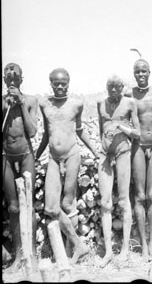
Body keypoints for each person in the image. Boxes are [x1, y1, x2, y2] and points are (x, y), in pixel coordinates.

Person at [36, 68, 98, 264]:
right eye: (56, 83)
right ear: (51, 83)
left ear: (68, 84)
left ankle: (70, 253)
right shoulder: (44, 104)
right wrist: (36, 156)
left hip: (72, 155)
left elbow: (80, 130)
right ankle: (79, 244)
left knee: (67, 204)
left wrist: (96, 153)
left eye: (63, 83)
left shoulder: (76, 104)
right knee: (51, 207)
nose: (60, 87)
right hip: (53, 158)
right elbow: (47, 134)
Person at [96, 75, 140, 267]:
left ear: (122, 88)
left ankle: (125, 250)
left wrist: (120, 127)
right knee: (105, 203)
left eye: (117, 88)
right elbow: (100, 130)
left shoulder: (130, 103)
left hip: (123, 152)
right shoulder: (100, 103)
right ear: (106, 88)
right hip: (105, 154)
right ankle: (107, 252)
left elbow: (137, 133)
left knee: (123, 201)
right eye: (110, 88)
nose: (113, 92)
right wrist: (105, 145)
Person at [125, 59, 152, 260]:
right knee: (139, 196)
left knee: (151, 194)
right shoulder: (129, 95)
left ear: (150, 72)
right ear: (134, 73)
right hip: (138, 146)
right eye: (137, 72)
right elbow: (123, 121)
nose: (141, 75)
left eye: (144, 71)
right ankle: (144, 246)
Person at [2, 63, 38, 272]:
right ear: (5, 81)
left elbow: (32, 131)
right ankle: (17, 257)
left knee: (29, 204)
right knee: (14, 207)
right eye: (8, 80)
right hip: (6, 156)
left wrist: (21, 104)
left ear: (21, 81)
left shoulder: (31, 100)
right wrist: (6, 108)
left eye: (16, 80)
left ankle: (31, 254)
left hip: (25, 155)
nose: (12, 83)